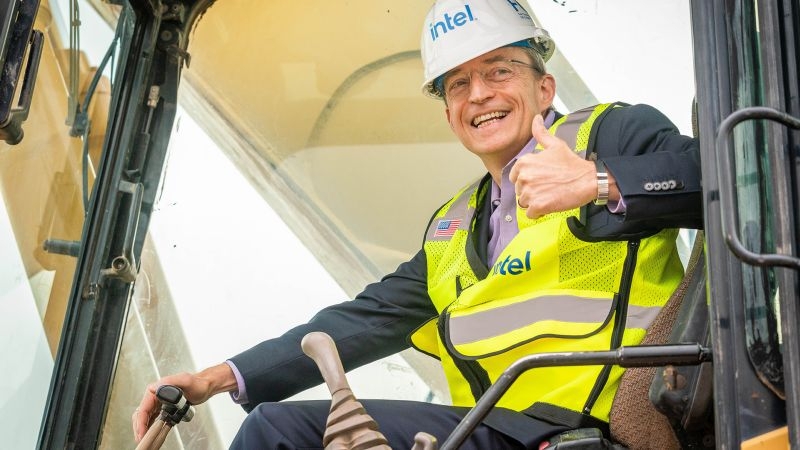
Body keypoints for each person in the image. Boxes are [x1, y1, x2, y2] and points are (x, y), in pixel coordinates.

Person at [133, 0, 702, 448]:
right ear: (450, 115)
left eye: (499, 70)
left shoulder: (612, 136)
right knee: (279, 425)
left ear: (544, 87)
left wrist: (598, 181)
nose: (479, 94)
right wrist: (214, 379)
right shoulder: (452, 227)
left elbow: (723, 178)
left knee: (276, 435)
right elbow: (362, 320)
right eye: (458, 85)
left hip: (585, 430)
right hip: (490, 430)